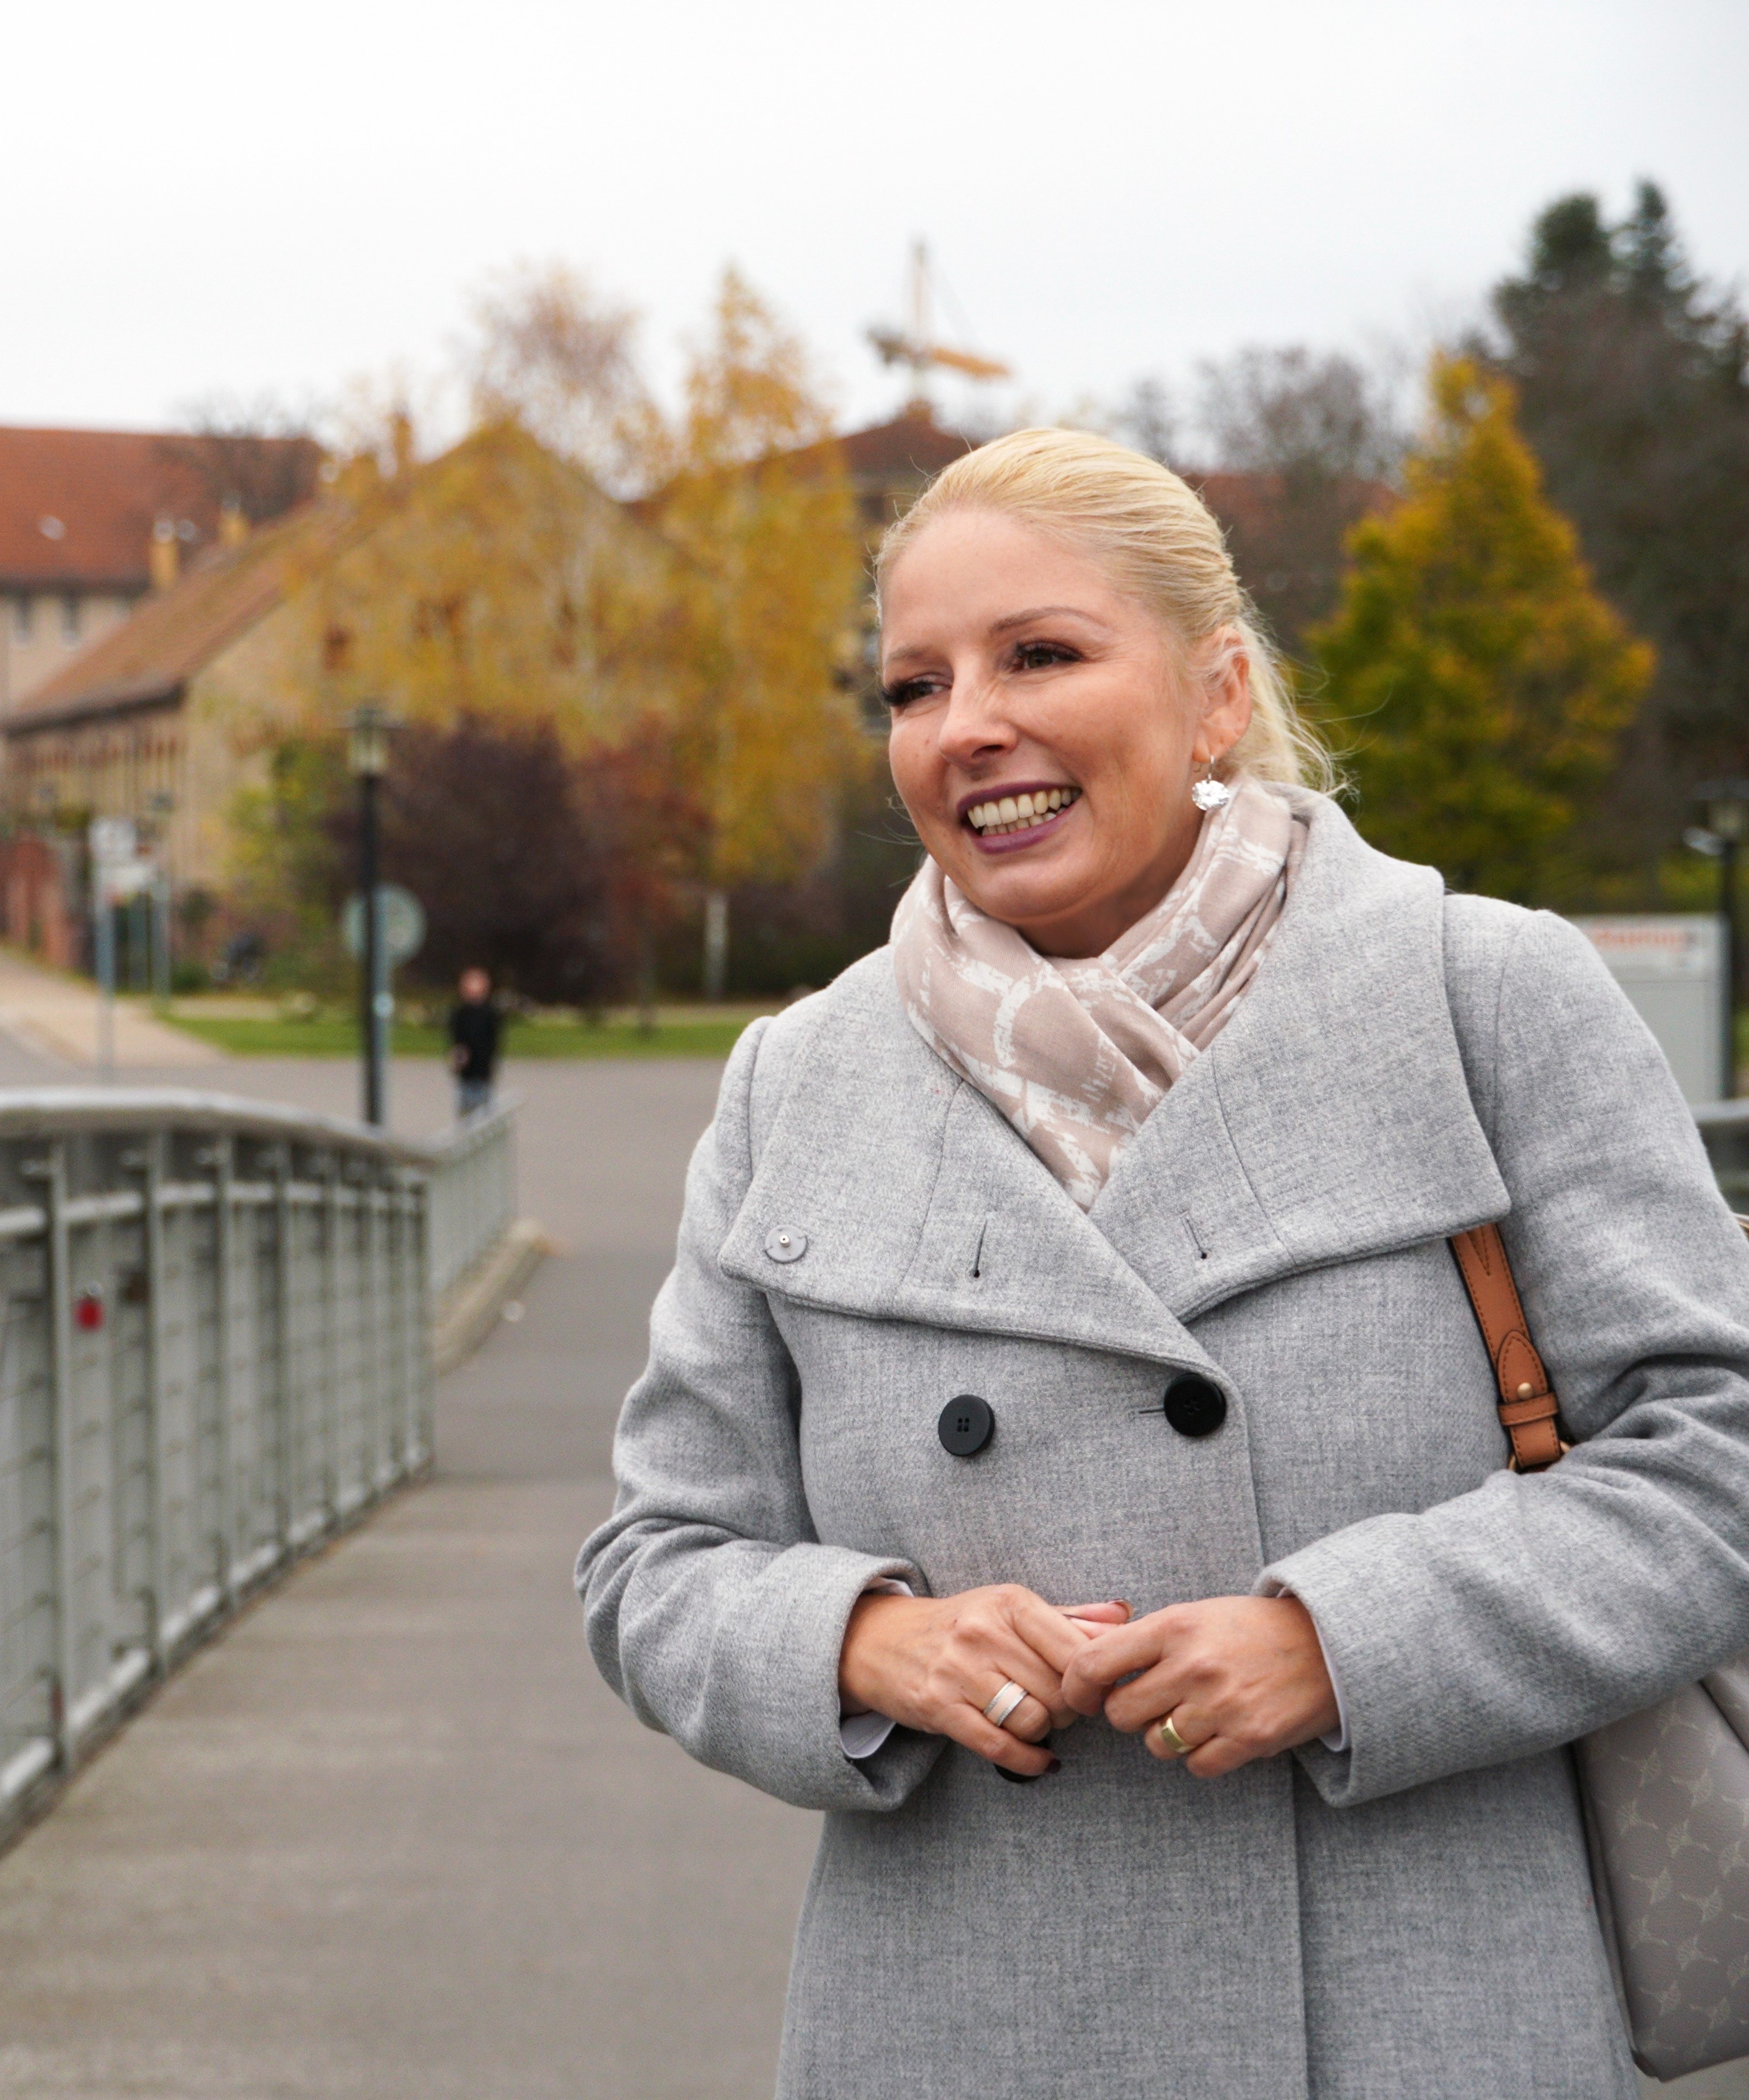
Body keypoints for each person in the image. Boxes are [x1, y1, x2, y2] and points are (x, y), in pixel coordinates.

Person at [577, 427, 1749, 2095]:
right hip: (959, 2024)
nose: (966, 722)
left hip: (1421, 2009)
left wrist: (1342, 1640)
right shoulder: (800, 1079)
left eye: (1040, 653)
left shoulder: (1483, 996)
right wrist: (853, 1639)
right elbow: (656, 1564)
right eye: (912, 686)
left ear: (1213, 694)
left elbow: (1714, 1464)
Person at [447, 964, 503, 1120]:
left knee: (484, 1110)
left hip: (483, 1070)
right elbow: (456, 1040)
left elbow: (493, 1042)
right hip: (466, 1072)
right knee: (466, 1108)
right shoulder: (460, 1013)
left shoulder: (490, 1013)